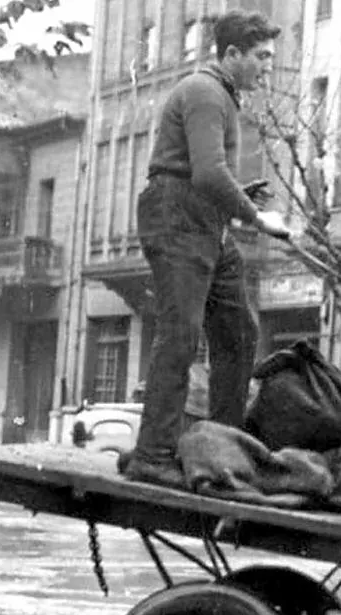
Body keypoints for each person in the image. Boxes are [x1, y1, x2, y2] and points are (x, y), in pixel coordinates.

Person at [120, 10, 297, 488]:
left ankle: (221, 449)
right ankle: (152, 455)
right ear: (232, 54)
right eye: (261, 57)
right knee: (181, 336)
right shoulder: (203, 91)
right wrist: (257, 217)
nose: (267, 67)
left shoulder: (222, 96)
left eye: (271, 58)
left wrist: (240, 197)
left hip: (204, 220)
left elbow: (211, 175)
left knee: (238, 333)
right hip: (179, 216)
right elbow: (207, 174)